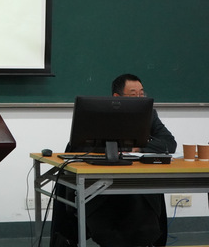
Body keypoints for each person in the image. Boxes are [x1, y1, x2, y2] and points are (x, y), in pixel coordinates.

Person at [50, 73, 177, 247]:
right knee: (109, 227)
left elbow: (169, 143)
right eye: (133, 95)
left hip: (137, 188)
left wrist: (138, 147)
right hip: (100, 189)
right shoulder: (98, 114)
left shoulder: (150, 115)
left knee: (143, 222)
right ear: (117, 97)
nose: (139, 99)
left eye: (142, 94)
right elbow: (80, 145)